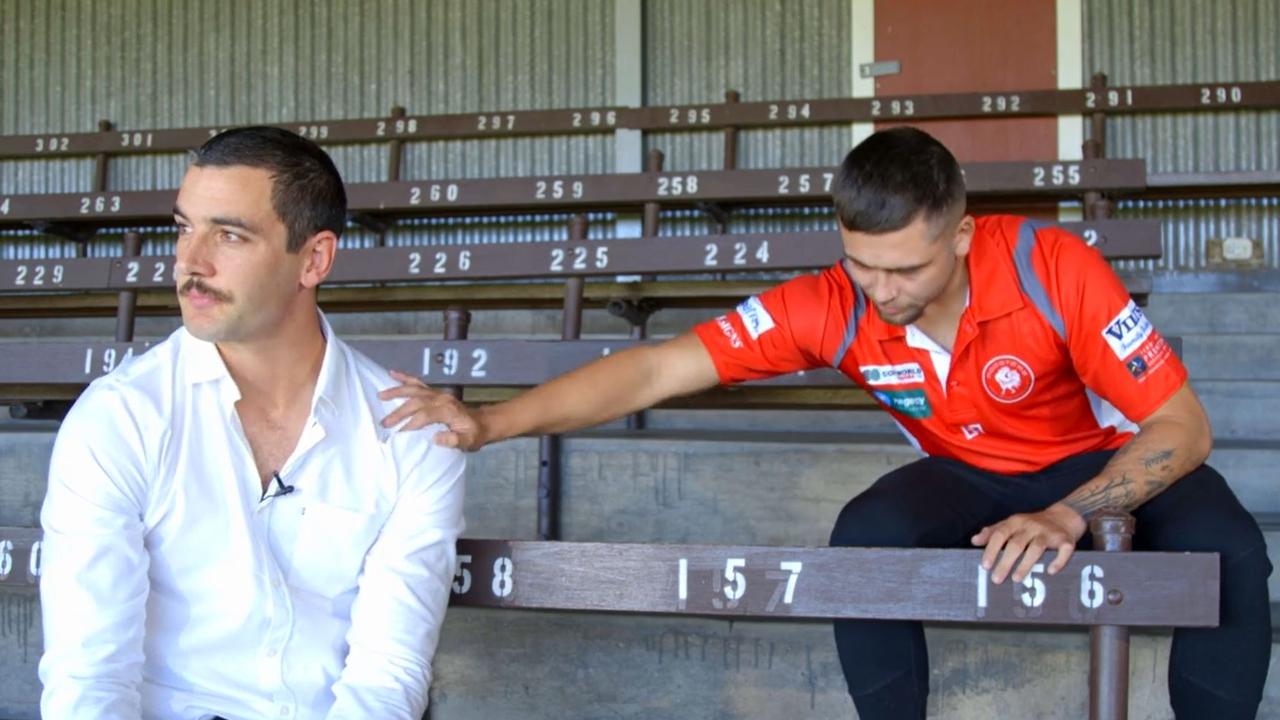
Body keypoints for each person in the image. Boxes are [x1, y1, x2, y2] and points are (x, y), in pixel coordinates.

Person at [379, 127, 1271, 718]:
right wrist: (491, 423)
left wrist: (1072, 513)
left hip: (1106, 456)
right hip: (971, 470)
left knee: (1232, 555)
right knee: (863, 538)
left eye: (907, 269)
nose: (881, 292)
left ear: (962, 236)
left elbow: (1181, 427)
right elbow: (658, 366)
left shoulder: (1052, 266)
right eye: (861, 264)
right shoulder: (832, 303)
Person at [39, 127, 466, 720]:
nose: (191, 262)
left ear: (313, 259)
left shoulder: (411, 433)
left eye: (229, 235)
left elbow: (387, 673)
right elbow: (88, 673)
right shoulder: (120, 417)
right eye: (184, 228)